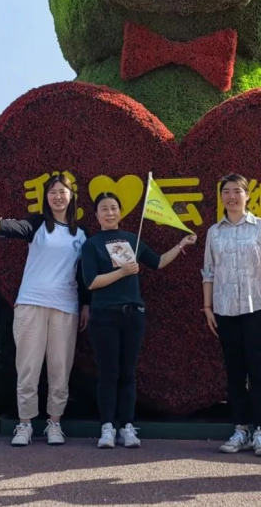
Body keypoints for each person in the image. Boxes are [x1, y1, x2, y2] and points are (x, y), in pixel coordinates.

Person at [0, 173, 90, 447]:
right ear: (46, 197)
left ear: (71, 196)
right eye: (52, 192)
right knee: (28, 367)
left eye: (62, 191)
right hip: (31, 304)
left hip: (65, 308)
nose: (58, 196)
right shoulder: (38, 224)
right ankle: (24, 424)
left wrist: (86, 304)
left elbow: (84, 275)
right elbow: (18, 227)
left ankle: (54, 424)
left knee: (60, 369)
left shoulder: (82, 234)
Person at [81, 191, 197, 449]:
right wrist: (122, 271)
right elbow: (91, 282)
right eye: (104, 209)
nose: (109, 213)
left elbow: (157, 262)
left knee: (128, 373)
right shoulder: (91, 245)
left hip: (133, 314)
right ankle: (107, 427)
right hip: (104, 316)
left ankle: (127, 426)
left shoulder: (131, 239)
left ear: (120, 212)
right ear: (96, 214)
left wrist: (181, 245)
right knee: (108, 373)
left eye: (113, 208)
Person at [201, 173, 261, 458]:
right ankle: (240, 430)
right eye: (226, 191)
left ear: (247, 196)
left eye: (237, 191)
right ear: (221, 197)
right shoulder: (214, 232)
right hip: (225, 309)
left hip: (257, 307)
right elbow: (208, 271)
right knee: (235, 372)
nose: (232, 196)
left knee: (259, 370)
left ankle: (260, 432)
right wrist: (207, 307)